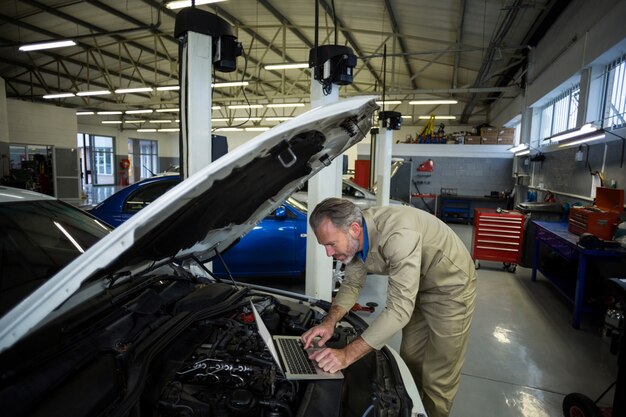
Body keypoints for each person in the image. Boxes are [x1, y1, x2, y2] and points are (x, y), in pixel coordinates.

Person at [301, 197, 477, 417]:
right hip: (416, 285)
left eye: (331, 244)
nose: (328, 253)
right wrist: (330, 322)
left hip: (450, 287)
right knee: (411, 358)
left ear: (354, 229)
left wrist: (346, 355)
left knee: (438, 374)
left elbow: (398, 310)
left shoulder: (398, 235)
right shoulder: (356, 240)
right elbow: (352, 284)